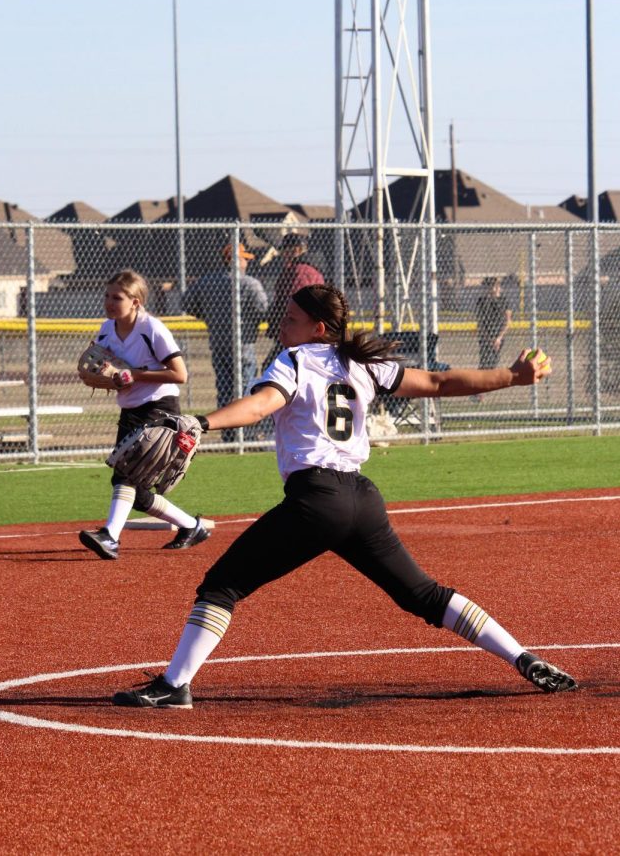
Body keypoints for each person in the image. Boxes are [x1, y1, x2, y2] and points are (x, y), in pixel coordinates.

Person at [112, 283, 577, 708]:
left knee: (221, 586)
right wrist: (513, 377)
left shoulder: (293, 361)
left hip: (316, 500)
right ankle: (521, 656)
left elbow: (261, 405)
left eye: (291, 319)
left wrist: (202, 422)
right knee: (424, 595)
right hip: (362, 499)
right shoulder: (364, 364)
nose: (282, 325)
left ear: (317, 328)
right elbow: (439, 383)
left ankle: (174, 685)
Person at [78, 269, 210, 559]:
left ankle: (110, 537)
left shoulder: (152, 328)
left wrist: (131, 375)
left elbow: (180, 374)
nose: (110, 302)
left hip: (158, 407)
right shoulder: (107, 328)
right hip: (130, 411)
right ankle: (191, 526)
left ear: (135, 302)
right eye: (107, 296)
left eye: (118, 297)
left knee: (125, 474)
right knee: (134, 491)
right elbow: (107, 371)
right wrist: (104, 377)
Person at [182, 243, 268, 441]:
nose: (247, 263)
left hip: (219, 342)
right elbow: (264, 310)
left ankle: (228, 434)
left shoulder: (207, 281)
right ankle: (244, 435)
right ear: (235, 260)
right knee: (246, 388)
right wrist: (251, 318)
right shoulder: (250, 283)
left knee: (225, 388)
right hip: (243, 345)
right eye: (244, 258)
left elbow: (186, 303)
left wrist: (210, 315)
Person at [262, 233, 324, 370]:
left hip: (299, 332)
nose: (282, 255)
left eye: (284, 250)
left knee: (274, 367)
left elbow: (296, 304)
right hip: (300, 330)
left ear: (295, 250)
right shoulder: (300, 268)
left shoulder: (301, 271)